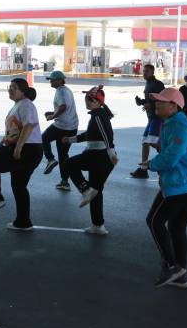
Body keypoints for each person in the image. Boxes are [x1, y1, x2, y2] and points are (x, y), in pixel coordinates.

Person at [145, 87, 187, 289]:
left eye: (162, 101)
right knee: (175, 226)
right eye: (157, 100)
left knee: (154, 221)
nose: (157, 103)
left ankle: (171, 266)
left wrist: (151, 164)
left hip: (182, 185)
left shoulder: (180, 126)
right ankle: (180, 274)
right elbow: (176, 151)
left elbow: (173, 157)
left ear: (174, 106)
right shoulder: (174, 124)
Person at [0, 78, 43, 230]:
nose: (10, 89)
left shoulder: (26, 104)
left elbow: (29, 126)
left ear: (22, 91)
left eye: (14, 87)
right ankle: (23, 222)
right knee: (19, 185)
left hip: (27, 149)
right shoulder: (18, 106)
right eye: (9, 87)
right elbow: (11, 133)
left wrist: (18, 148)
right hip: (26, 148)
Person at [62, 86, 117, 235]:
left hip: (99, 155)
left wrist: (111, 153)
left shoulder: (98, 115)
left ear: (97, 102)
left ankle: (85, 190)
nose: (87, 101)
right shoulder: (98, 114)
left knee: (69, 164)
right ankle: (98, 226)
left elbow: (106, 135)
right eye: (87, 99)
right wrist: (72, 139)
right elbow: (90, 134)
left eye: (90, 99)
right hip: (99, 156)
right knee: (96, 191)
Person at [41, 70, 79, 190]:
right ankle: (64, 182)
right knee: (63, 155)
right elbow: (64, 108)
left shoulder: (60, 91)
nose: (50, 82)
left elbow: (63, 107)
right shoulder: (67, 90)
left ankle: (50, 159)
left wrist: (53, 116)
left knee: (44, 137)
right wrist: (53, 112)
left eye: (51, 79)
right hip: (72, 127)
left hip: (62, 126)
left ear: (59, 80)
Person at [130, 63, 166, 179]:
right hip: (151, 118)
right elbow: (149, 100)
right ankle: (143, 169)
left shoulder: (158, 84)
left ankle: (168, 159)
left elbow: (163, 100)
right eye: (143, 71)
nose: (144, 73)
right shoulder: (148, 83)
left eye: (146, 71)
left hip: (158, 118)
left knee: (153, 142)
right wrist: (141, 102)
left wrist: (151, 105)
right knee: (145, 141)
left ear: (152, 72)